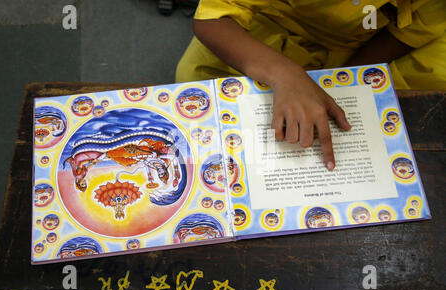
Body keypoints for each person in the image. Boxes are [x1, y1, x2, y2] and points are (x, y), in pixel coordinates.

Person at [175, 0, 446, 170]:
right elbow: (211, 20)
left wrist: (343, 80)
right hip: (265, 24)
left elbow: (405, 33)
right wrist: (284, 75)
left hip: (352, 41)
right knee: (196, 92)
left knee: (425, 95)